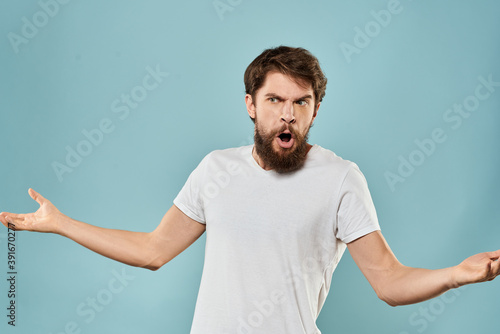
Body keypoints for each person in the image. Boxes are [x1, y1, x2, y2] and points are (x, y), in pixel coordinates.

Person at [1, 46, 499, 334]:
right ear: (251, 105)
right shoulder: (215, 169)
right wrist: (60, 224)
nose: (288, 113)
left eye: (301, 103)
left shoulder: (342, 179)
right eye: (275, 99)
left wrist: (457, 274)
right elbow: (154, 250)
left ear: (315, 110)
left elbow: (389, 282)